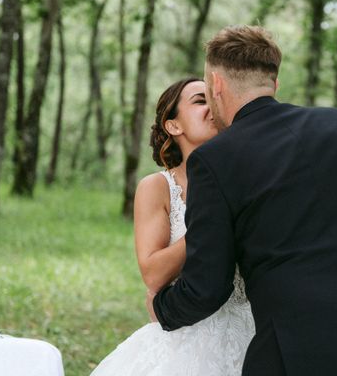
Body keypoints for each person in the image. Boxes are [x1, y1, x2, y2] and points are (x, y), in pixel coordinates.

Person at [151, 26, 337, 376]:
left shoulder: (215, 160)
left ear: (216, 85)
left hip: (298, 355)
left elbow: (208, 287)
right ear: (274, 84)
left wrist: (163, 308)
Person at [91, 77, 255, 376]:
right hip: (188, 338)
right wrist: (210, 224)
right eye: (199, 101)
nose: (212, 107)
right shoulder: (158, 187)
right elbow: (153, 274)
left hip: (253, 334)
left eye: (214, 100)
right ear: (173, 126)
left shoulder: (249, 178)